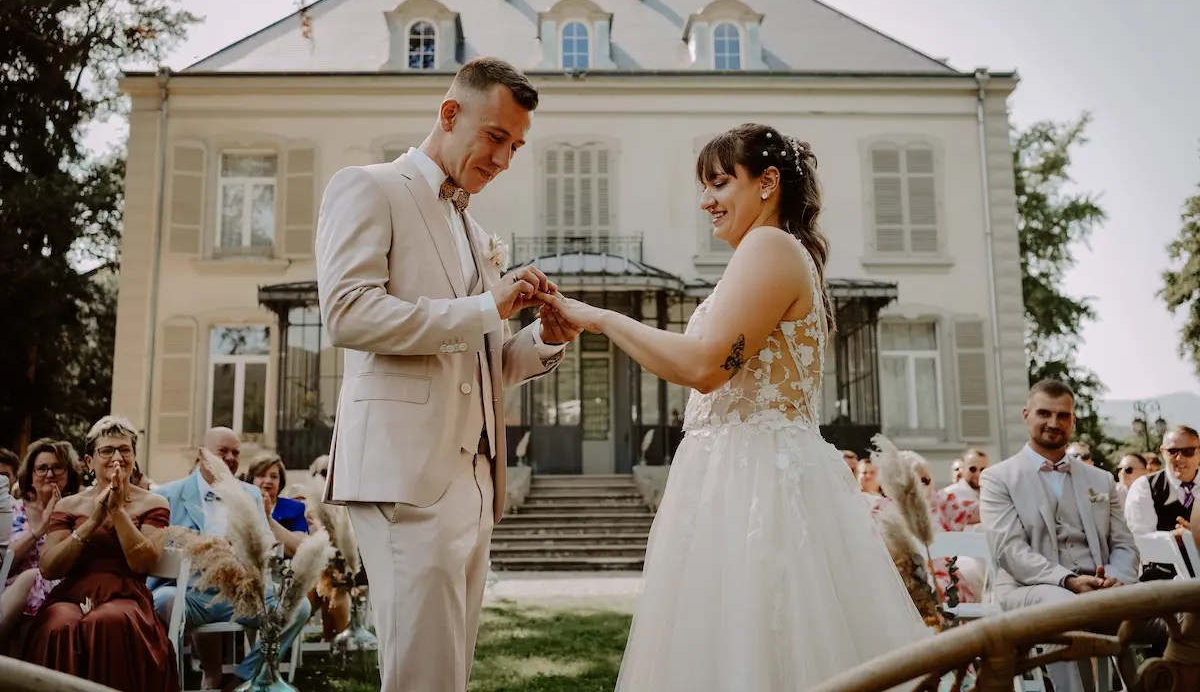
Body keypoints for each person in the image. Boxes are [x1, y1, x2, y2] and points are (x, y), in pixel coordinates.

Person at [541, 123, 929, 690]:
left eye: (721, 183)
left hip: (757, 481)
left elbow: (704, 366)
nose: (706, 200)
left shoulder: (770, 247)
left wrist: (599, 317)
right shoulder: (765, 254)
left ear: (767, 182)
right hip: (734, 473)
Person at [315, 57, 579, 691]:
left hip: (476, 482)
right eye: (496, 137)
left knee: (448, 673)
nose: (505, 158)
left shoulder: (475, 229)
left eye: (516, 146)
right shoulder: (369, 187)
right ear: (450, 113)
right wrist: (490, 305)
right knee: (419, 677)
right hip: (405, 475)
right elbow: (348, 313)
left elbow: (478, 361)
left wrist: (542, 338)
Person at [979, 379, 1139, 692]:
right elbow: (1010, 552)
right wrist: (1067, 580)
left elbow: (1124, 545)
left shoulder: (1101, 479)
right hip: (1028, 589)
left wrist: (1116, 579)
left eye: (1063, 416)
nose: (1054, 423)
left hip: (1102, 589)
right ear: (1026, 415)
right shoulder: (998, 478)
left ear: (1073, 421)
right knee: (1064, 608)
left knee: (1174, 613)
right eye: (1044, 413)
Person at [22, 417, 178, 691]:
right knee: (59, 624)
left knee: (106, 621)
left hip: (127, 594)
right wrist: (93, 521)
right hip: (73, 593)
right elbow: (49, 567)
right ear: (89, 461)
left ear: (134, 457)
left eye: (125, 450)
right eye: (107, 450)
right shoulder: (70, 505)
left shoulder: (154, 503)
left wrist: (117, 512)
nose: (117, 457)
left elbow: (144, 562)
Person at [153, 427, 311, 691]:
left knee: (298, 606)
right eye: (222, 451)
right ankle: (169, 682)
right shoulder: (168, 494)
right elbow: (157, 548)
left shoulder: (250, 494)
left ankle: (243, 679)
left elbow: (263, 541)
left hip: (240, 593)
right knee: (158, 603)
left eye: (236, 453)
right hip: (189, 593)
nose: (230, 458)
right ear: (203, 455)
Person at [1, 438, 83, 649]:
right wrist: (39, 530)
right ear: (30, 475)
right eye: (42, 468)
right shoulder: (12, 509)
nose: (49, 474)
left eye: (57, 467)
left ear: (69, 474)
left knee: (31, 577)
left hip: (62, 586)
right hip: (9, 591)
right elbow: (3, 560)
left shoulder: (79, 511)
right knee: (27, 579)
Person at [1124, 425, 1199, 579]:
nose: (1180, 458)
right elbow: (1138, 538)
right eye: (1173, 452)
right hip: (1161, 579)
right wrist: (1174, 538)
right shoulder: (1145, 486)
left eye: (1188, 451)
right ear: (1163, 452)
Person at [245, 453, 308, 555]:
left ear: (280, 481)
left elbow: (301, 550)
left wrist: (268, 519)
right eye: (261, 475)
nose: (268, 481)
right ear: (252, 479)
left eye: (274, 476)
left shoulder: (295, 508)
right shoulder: (241, 508)